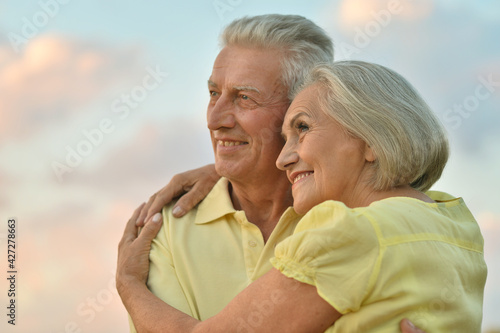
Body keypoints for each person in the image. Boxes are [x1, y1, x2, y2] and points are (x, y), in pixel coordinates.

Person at [117, 61, 487, 331]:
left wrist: (130, 287)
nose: (282, 157)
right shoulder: (454, 224)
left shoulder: (348, 233)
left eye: (302, 129)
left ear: (372, 140)